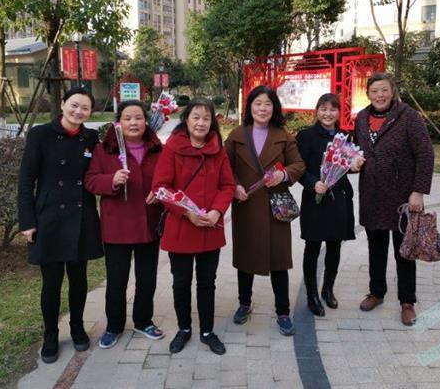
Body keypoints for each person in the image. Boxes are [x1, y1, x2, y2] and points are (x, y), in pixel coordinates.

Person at [17, 87, 103, 364]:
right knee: (51, 283)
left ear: (90, 112)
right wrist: (27, 221)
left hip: (81, 216)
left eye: (85, 108)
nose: (79, 111)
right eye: (74, 105)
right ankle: (51, 335)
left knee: (79, 280)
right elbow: (26, 180)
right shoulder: (40, 134)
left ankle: (77, 328)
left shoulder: (91, 137)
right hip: (50, 219)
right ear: (63, 104)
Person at [151, 98, 236, 355]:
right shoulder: (172, 148)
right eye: (196, 117)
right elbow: (161, 187)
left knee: (207, 282)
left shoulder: (217, 149)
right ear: (186, 120)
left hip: (210, 226)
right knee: (181, 282)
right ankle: (184, 328)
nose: (201, 123)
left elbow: (227, 186)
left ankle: (207, 331)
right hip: (181, 227)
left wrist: (217, 211)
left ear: (212, 122)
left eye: (206, 118)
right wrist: (187, 213)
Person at [353, 73, 434, 326]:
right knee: (375, 248)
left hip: (402, 198)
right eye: (374, 91)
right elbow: (356, 151)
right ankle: (377, 292)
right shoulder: (361, 118)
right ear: (368, 94)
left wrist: (418, 191)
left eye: (384, 90)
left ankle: (407, 302)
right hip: (372, 194)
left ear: (392, 91)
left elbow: (425, 154)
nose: (380, 95)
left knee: (404, 251)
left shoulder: (409, 117)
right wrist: (353, 163)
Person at [225, 86, 305, 336]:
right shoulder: (237, 135)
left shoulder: (283, 136)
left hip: (274, 207)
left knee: (279, 261)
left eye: (267, 104)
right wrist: (235, 185)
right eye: (258, 103)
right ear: (249, 106)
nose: (262, 108)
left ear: (274, 108)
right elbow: (225, 167)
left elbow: (298, 164)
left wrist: (284, 174)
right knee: (246, 259)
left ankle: (283, 312)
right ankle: (244, 303)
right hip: (246, 205)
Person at [84, 100, 165, 349]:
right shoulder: (105, 149)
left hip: (148, 224)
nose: (133, 122)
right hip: (117, 226)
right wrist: (112, 180)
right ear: (118, 122)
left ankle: (143, 320)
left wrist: (161, 192)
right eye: (127, 118)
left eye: (138, 117)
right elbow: (90, 180)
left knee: (147, 278)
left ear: (146, 121)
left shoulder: (156, 148)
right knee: (117, 280)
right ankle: (114, 326)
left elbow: (169, 179)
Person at [295, 93, 365, 317]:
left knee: (335, 246)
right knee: (313, 247)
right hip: (315, 200)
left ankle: (327, 289)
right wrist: (312, 183)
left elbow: (347, 167)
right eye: (323, 109)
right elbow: (298, 168)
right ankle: (311, 295)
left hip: (339, 199)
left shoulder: (345, 136)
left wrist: (356, 165)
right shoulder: (305, 136)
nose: (328, 114)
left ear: (339, 112)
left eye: (332, 109)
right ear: (317, 111)